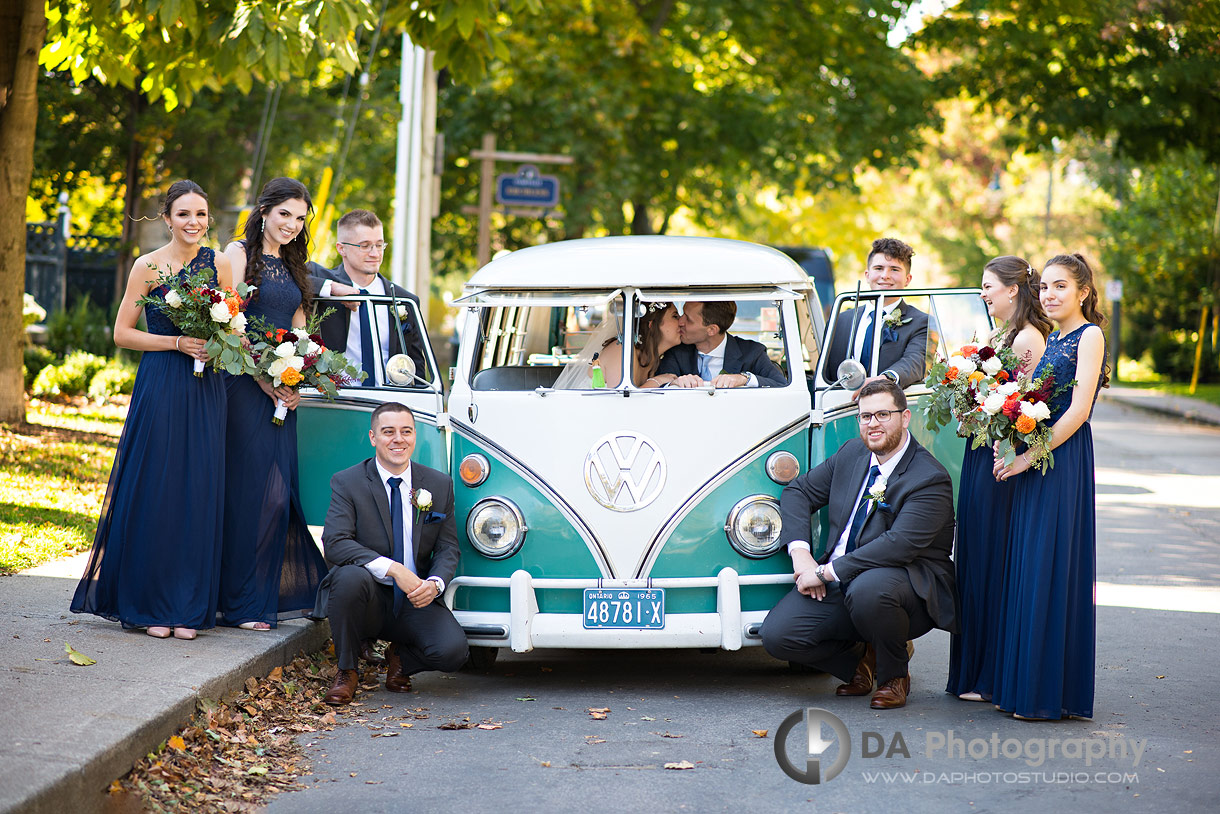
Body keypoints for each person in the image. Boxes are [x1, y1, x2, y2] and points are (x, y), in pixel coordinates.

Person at [71, 180, 233, 640]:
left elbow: (234, 329)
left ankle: (187, 606)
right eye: (184, 214)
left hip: (206, 388)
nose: (194, 222)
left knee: (197, 490)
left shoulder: (219, 264)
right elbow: (122, 333)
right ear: (167, 219)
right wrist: (177, 343)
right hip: (162, 383)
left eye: (201, 214)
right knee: (159, 488)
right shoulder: (147, 266)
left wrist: (219, 344)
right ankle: (148, 604)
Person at [760, 378, 957, 709]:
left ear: (905, 417)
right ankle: (861, 662)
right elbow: (797, 492)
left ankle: (894, 676)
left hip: (905, 586)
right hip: (842, 579)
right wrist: (802, 556)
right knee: (778, 636)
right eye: (866, 417)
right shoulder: (852, 453)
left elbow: (898, 546)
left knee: (870, 589)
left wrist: (827, 573)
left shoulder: (929, 478)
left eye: (883, 415)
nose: (873, 424)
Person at [991, 253, 1108, 720]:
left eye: (1061, 286)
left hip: (1062, 460)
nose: (1051, 295)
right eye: (1045, 288)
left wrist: (1026, 458)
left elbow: (1078, 411)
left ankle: (1046, 693)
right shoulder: (1053, 337)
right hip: (1037, 458)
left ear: (1083, 292)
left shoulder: (1089, 335)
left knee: (1049, 564)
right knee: (1031, 565)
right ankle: (1026, 686)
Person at [219, 177, 328, 630]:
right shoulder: (237, 254)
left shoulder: (295, 263)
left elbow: (300, 328)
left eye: (300, 218)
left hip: (282, 388)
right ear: (264, 210)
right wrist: (263, 378)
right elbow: (230, 318)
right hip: (244, 385)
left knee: (278, 495)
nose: (291, 224)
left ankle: (258, 596)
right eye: (285, 213)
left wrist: (300, 375)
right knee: (248, 492)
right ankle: (240, 604)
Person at [311, 403, 467, 705]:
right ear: (373, 437)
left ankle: (401, 659)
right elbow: (335, 542)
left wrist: (434, 584)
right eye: (388, 432)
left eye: (406, 431)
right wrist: (394, 569)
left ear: (414, 436)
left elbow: (448, 547)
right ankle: (347, 670)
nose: (398, 439)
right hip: (366, 595)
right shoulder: (348, 482)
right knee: (348, 576)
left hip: (414, 597)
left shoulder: (438, 484)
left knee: (453, 652)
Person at [947, 256, 1052, 702]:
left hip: (1000, 459)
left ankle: (988, 675)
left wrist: (986, 413)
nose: (984, 293)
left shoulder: (1028, 338)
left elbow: (1019, 406)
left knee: (993, 557)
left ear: (1013, 289)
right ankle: (972, 672)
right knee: (973, 554)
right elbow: (983, 394)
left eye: (989, 285)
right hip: (978, 452)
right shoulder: (994, 336)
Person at [307, 209, 428, 386]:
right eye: (365, 246)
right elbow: (290, 277)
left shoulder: (405, 299)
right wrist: (333, 288)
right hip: (336, 399)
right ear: (342, 249)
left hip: (387, 402)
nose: (375, 253)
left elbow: (417, 369)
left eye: (379, 245)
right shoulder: (322, 281)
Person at [822, 237, 930, 392]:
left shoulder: (922, 322)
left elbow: (915, 363)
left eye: (894, 269)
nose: (885, 275)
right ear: (867, 275)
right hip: (840, 407)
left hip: (889, 407)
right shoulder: (840, 320)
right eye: (879, 268)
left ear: (908, 279)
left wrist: (882, 381)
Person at [656, 301, 786, 388]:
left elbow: (781, 385)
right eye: (682, 313)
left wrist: (744, 379)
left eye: (688, 319)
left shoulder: (752, 352)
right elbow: (658, 386)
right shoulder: (676, 352)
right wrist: (674, 383)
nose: (680, 321)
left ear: (711, 330)